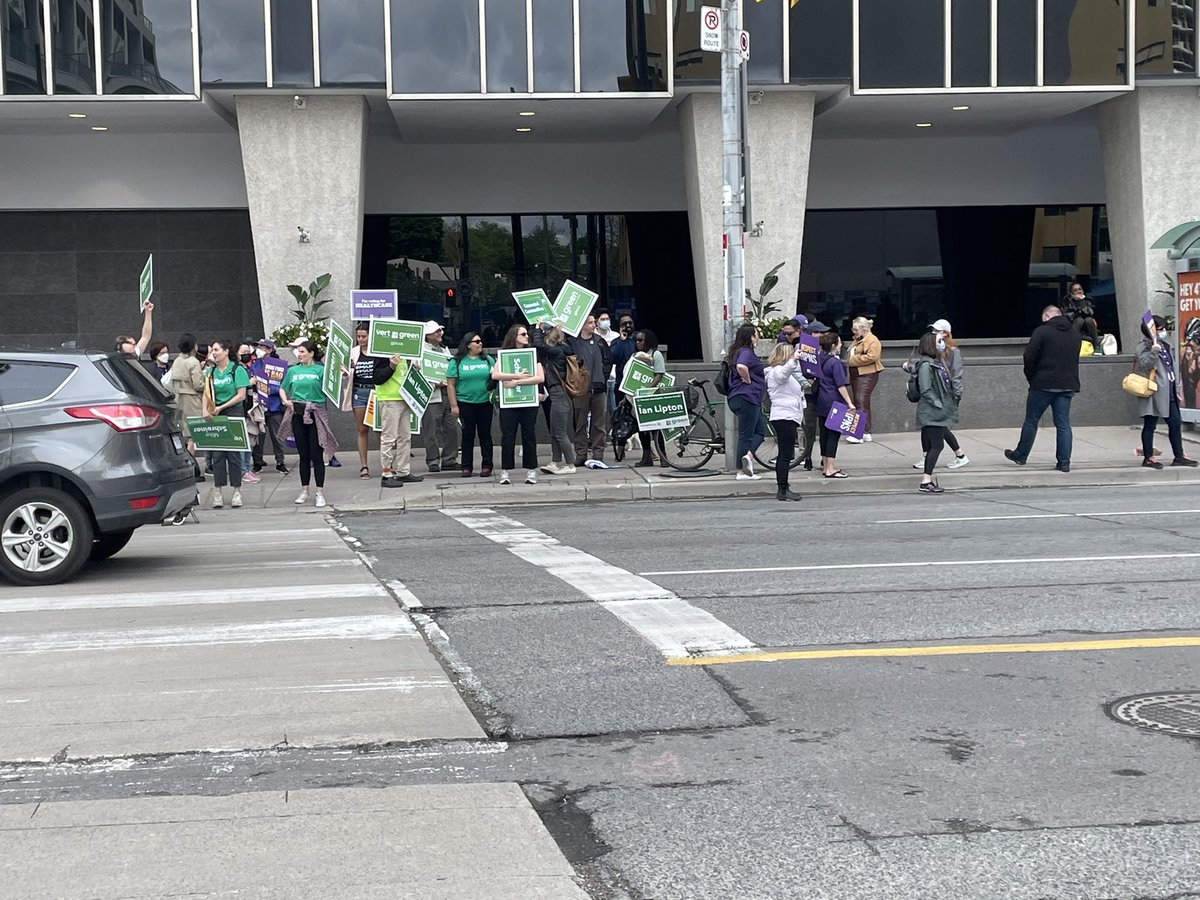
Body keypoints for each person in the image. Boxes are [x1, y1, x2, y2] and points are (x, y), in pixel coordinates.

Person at [1004, 305, 1080, 472]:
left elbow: (1029, 356)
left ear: (1046, 316)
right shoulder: (1074, 332)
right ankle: (1064, 462)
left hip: (1043, 383)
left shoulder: (1042, 331)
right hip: (1067, 384)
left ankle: (1021, 455)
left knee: (1031, 420)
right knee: (1063, 424)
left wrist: (1032, 377)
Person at [1134, 315, 1198, 469]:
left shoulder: (1165, 345)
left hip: (1169, 390)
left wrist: (1176, 388)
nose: (1163, 331)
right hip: (1154, 391)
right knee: (1150, 424)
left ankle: (1179, 455)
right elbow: (1144, 364)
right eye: (1160, 329)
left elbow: (1170, 367)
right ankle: (1148, 457)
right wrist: (1153, 352)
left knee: (1175, 423)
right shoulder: (1143, 347)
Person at [278, 340, 336, 507]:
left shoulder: (320, 370)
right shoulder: (293, 370)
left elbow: (333, 386)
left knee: (317, 454)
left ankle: (319, 492)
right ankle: (304, 490)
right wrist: (285, 400)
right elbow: (282, 387)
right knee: (303, 454)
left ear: (311, 353)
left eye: (302, 351)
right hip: (298, 412)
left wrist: (342, 373)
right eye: (298, 351)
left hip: (316, 412)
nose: (299, 354)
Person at [910, 319, 969, 471]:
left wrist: (956, 396)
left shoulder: (952, 351)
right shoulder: (932, 350)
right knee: (933, 427)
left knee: (937, 428)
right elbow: (924, 369)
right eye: (933, 331)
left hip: (944, 394)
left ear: (946, 333)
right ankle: (957, 455)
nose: (934, 334)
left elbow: (956, 375)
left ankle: (956, 455)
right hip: (934, 392)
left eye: (938, 331)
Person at [492, 324, 545, 485]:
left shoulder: (533, 354)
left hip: (528, 400)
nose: (527, 336)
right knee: (508, 436)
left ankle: (531, 469)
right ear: (514, 336)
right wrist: (516, 375)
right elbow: (495, 374)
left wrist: (516, 382)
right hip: (509, 402)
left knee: (529, 435)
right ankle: (505, 470)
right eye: (523, 334)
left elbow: (540, 377)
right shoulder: (504, 354)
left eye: (527, 334)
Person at [203, 339, 250, 510]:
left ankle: (237, 491)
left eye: (216, 350)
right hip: (216, 414)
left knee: (234, 454)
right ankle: (218, 492)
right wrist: (205, 410)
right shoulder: (210, 371)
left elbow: (241, 395)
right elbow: (206, 393)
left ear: (226, 351)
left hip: (233, 412)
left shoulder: (237, 370)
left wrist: (222, 407)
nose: (214, 353)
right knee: (217, 455)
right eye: (213, 350)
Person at [914, 331, 959, 493]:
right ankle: (926, 481)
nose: (942, 344)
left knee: (935, 445)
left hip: (934, 412)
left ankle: (927, 480)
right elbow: (926, 389)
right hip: (931, 412)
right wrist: (938, 404)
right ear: (931, 345)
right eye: (939, 341)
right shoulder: (926, 365)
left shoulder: (933, 363)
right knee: (937, 445)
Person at [371, 350, 423, 489]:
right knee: (389, 438)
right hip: (390, 399)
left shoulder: (406, 353)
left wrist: (415, 371)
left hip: (405, 397)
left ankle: (403, 471)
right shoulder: (381, 353)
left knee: (405, 437)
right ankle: (386, 473)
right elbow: (377, 378)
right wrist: (391, 366)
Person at [447, 331, 495, 478]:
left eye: (481, 341)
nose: (480, 344)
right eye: (477, 342)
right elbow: (451, 385)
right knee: (468, 435)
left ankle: (487, 465)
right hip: (465, 403)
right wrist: (454, 405)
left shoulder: (488, 360)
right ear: (468, 345)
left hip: (485, 402)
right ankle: (466, 466)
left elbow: (496, 377)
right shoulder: (456, 362)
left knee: (485, 434)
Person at [532, 323, 578, 474]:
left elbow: (538, 345)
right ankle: (556, 462)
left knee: (560, 432)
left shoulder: (557, 351)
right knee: (554, 431)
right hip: (556, 393)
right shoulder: (562, 349)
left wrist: (538, 329)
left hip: (559, 393)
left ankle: (570, 464)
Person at [725, 323, 767, 480]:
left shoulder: (736, 351)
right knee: (746, 435)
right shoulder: (746, 352)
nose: (758, 338)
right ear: (751, 337)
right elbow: (741, 366)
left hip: (740, 397)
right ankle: (741, 471)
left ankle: (747, 458)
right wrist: (748, 379)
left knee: (759, 432)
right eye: (757, 334)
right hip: (747, 397)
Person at [568, 314, 612, 466]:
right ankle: (581, 454)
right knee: (580, 423)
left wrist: (603, 378)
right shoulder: (573, 342)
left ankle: (598, 454)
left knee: (599, 424)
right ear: (582, 325)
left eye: (594, 322)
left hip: (598, 388)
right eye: (590, 323)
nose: (594, 325)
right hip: (581, 389)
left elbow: (608, 360)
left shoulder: (600, 341)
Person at [764, 343, 805, 501]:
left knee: (785, 453)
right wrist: (794, 360)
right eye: (791, 354)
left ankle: (784, 487)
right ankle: (782, 488)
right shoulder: (777, 371)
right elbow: (783, 375)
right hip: (784, 416)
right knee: (785, 454)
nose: (793, 356)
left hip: (787, 416)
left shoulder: (781, 372)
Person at [419, 320, 459, 473]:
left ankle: (449, 459)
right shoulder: (421, 352)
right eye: (436, 331)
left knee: (452, 428)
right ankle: (433, 460)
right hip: (432, 395)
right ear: (428, 335)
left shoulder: (444, 350)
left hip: (447, 394)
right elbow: (417, 374)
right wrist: (434, 384)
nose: (440, 333)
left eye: (440, 330)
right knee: (431, 430)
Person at [814, 329, 855, 478]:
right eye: (839, 343)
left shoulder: (819, 359)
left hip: (821, 400)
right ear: (833, 345)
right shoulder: (835, 363)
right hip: (834, 401)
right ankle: (830, 468)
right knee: (833, 435)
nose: (841, 345)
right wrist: (849, 402)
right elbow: (840, 385)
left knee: (824, 434)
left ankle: (825, 465)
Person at [341, 323, 377, 479]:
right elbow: (344, 374)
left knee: (380, 430)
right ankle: (364, 466)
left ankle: (387, 464)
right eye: (358, 336)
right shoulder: (353, 352)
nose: (361, 339)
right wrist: (346, 371)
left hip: (376, 392)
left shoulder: (378, 351)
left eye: (364, 336)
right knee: (362, 429)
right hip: (359, 392)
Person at [796, 319, 831, 471]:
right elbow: (796, 370)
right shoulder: (801, 349)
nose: (823, 335)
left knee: (825, 429)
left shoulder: (827, 348)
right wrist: (807, 382)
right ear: (813, 334)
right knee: (809, 429)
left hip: (823, 393)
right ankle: (807, 457)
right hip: (809, 394)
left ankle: (825, 458)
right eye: (820, 333)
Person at [250, 339, 289, 475]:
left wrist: (269, 390)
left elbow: (283, 385)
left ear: (270, 350)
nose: (259, 349)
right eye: (258, 347)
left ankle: (280, 462)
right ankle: (257, 462)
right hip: (259, 405)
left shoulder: (279, 366)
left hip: (274, 405)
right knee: (258, 436)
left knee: (277, 436)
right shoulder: (255, 364)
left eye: (262, 347)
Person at [632, 329, 669, 468]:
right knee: (642, 429)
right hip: (639, 398)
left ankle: (663, 457)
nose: (638, 343)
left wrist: (647, 390)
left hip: (652, 397)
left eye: (640, 340)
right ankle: (646, 456)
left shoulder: (656, 354)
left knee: (656, 429)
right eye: (636, 340)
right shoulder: (636, 355)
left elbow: (659, 375)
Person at [845, 316, 882, 443]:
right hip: (857, 374)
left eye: (856, 329)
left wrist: (852, 360)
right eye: (853, 329)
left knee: (861, 401)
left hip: (867, 374)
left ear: (864, 329)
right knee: (860, 402)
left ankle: (859, 433)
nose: (854, 332)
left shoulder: (872, 340)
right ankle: (865, 431)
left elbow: (872, 357)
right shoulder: (859, 340)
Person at [234, 342, 263, 485]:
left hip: (250, 409)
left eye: (248, 352)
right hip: (242, 409)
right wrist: (249, 382)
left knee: (250, 442)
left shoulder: (249, 368)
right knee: (243, 442)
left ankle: (247, 468)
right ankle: (243, 470)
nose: (246, 355)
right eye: (243, 352)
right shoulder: (237, 369)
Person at [595, 309, 620, 417]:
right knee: (599, 409)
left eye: (607, 319)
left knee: (613, 407)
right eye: (603, 319)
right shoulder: (593, 336)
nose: (606, 321)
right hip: (598, 375)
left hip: (613, 375)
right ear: (597, 322)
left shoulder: (616, 336)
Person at [1064, 281, 1100, 352]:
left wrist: (1081, 301)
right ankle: (1070, 346)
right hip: (1075, 326)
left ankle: (1097, 346)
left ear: (1083, 291)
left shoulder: (1088, 301)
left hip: (1088, 328)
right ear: (1072, 293)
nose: (1078, 291)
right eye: (1075, 290)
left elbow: (1090, 313)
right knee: (1079, 320)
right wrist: (1077, 304)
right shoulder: (1068, 303)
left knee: (1089, 320)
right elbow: (1070, 316)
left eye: (1079, 289)